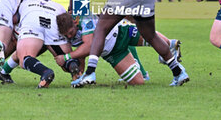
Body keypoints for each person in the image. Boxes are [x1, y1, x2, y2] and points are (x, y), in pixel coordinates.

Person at [69, 0, 189, 88]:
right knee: (150, 35)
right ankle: (178, 72)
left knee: (101, 28)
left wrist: (73, 12)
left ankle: (90, 72)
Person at [55, 12, 183, 87]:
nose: (69, 37)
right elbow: (81, 54)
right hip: (112, 52)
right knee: (138, 83)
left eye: (71, 32)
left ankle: (171, 47)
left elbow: (89, 46)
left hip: (121, 32)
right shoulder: (67, 33)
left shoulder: (84, 17)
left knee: (157, 41)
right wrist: (78, 76)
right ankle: (160, 54)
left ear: (74, 22)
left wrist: (66, 57)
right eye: (66, 35)